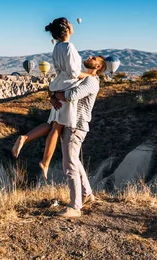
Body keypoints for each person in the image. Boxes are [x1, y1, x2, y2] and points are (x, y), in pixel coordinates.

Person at [11, 17, 91, 179]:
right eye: (70, 23)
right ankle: (45, 163)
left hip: (58, 85)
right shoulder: (69, 46)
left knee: (52, 123)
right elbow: (74, 73)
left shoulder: (57, 48)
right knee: (56, 128)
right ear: (67, 29)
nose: (72, 25)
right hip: (68, 87)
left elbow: (61, 70)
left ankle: (26, 137)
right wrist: (90, 76)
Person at [51, 55, 106, 217]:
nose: (90, 56)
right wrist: (54, 94)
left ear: (98, 67)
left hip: (75, 126)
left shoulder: (91, 82)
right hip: (70, 124)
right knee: (74, 161)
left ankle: (75, 206)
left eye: (94, 58)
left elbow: (71, 96)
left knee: (69, 165)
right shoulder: (85, 78)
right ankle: (87, 194)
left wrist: (56, 95)